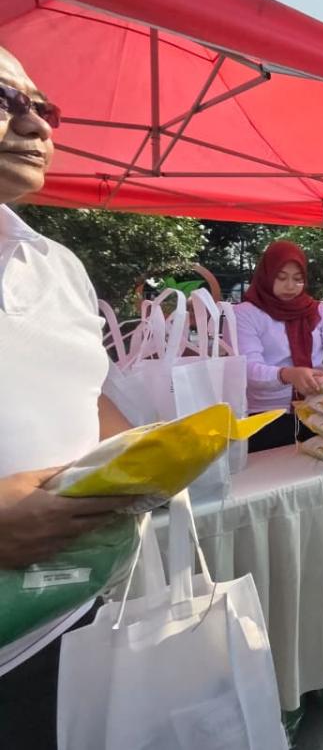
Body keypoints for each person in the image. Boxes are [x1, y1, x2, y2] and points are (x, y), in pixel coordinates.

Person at [0, 45, 134, 744]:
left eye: (42, 108)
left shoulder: (59, 265)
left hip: (71, 615)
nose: (38, 127)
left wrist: (149, 458)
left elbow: (88, 392)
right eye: (4, 101)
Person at [235, 240, 323, 452]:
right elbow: (247, 369)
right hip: (267, 417)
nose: (290, 286)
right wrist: (288, 375)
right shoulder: (245, 313)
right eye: (281, 278)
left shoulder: (316, 310)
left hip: (318, 409)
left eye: (298, 279)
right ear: (266, 275)